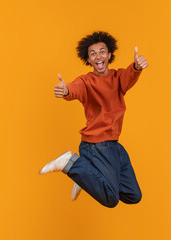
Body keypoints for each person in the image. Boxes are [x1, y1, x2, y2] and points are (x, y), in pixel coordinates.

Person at [39, 31, 148, 208]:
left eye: (102, 51)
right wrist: (65, 90)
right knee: (111, 199)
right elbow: (74, 89)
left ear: (110, 54)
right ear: (88, 60)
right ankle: (70, 163)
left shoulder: (118, 77)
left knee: (133, 195)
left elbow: (130, 75)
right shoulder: (86, 81)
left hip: (115, 146)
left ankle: (86, 177)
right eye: (93, 53)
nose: (98, 56)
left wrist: (137, 66)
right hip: (97, 145)